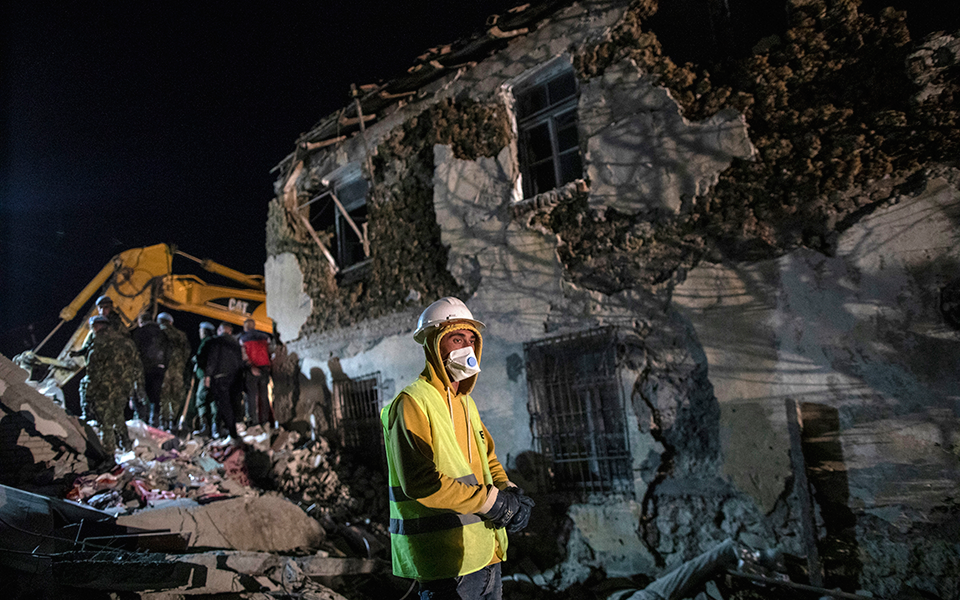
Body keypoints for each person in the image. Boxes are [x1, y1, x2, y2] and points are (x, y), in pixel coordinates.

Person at [380, 297, 534, 599]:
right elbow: (422, 483)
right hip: (445, 563)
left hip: (485, 555)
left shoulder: (467, 404)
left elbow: (488, 459)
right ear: (434, 345)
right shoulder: (412, 403)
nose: (466, 348)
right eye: (456, 338)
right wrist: (495, 504)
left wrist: (509, 492)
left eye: (471, 339)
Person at [78, 315, 142, 455]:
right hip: (123, 388)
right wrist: (136, 387)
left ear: (95, 327)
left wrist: (88, 396)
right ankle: (126, 444)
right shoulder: (125, 342)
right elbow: (137, 365)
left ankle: (109, 457)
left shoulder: (97, 345)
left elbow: (92, 374)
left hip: (104, 389)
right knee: (118, 415)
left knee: (105, 423)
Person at [202, 322, 244, 440]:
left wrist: (208, 376)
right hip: (235, 378)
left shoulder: (216, 342)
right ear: (230, 331)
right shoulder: (236, 343)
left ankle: (229, 432)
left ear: (220, 330)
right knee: (232, 404)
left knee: (223, 405)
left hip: (220, 377)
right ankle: (228, 430)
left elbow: (212, 359)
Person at [132, 312, 167, 426]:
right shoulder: (162, 333)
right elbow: (168, 351)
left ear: (141, 321)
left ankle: (142, 422)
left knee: (140, 396)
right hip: (159, 368)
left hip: (143, 368)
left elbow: (133, 351)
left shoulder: (139, 333)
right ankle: (154, 422)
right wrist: (164, 365)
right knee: (155, 397)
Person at [157, 312, 191, 432]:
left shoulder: (158, 332)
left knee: (163, 395)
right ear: (170, 322)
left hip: (163, 369)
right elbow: (187, 352)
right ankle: (173, 421)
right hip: (177, 370)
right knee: (175, 396)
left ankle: (163, 421)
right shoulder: (181, 335)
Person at [238, 318, 273, 428]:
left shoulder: (242, 339)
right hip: (264, 369)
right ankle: (265, 421)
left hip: (251, 369)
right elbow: (271, 352)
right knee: (264, 396)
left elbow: (243, 356)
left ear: (245, 327)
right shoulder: (265, 337)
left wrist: (252, 367)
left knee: (251, 397)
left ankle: (254, 423)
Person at [185, 321, 218, 436]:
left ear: (204, 331)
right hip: (215, 377)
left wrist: (195, 359)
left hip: (205, 376)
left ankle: (205, 427)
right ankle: (215, 428)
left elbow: (203, 358)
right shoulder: (215, 342)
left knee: (201, 400)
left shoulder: (205, 342)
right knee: (213, 401)